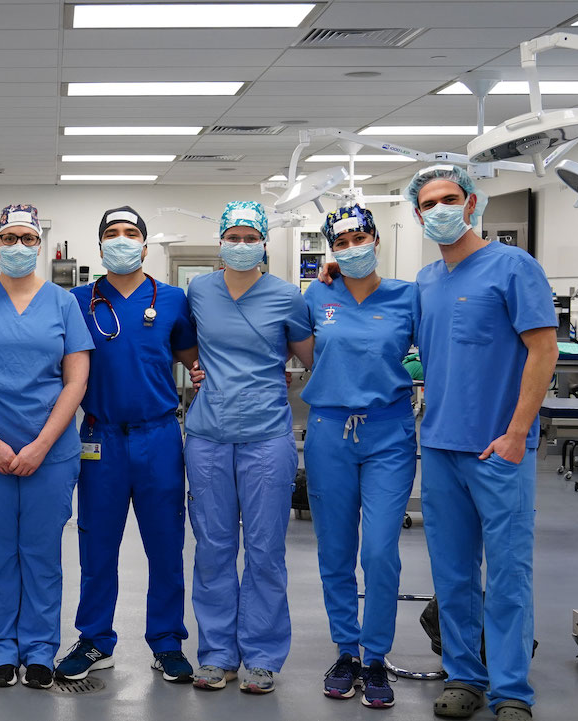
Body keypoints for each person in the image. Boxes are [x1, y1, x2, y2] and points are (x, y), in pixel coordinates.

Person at [405, 165, 556, 721]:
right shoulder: (425, 281)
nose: (440, 209)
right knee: (453, 573)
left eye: (450, 198)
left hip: (499, 449)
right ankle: (464, 675)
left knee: (509, 573)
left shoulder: (513, 266)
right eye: (428, 203)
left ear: (471, 203)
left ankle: (512, 689)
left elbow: (543, 351)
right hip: (441, 446)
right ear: (418, 215)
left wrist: (517, 433)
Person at [0, 203, 93, 690]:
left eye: (27, 239)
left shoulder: (63, 303)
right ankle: (2, 649)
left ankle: (39, 649)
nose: (17, 247)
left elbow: (75, 382)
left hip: (49, 451)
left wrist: (41, 444)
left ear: (41, 245)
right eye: (8, 238)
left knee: (42, 552)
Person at [57, 206, 197, 684]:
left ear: (144, 242)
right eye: (112, 234)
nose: (122, 240)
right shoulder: (76, 300)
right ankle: (95, 638)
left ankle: (167, 641)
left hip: (158, 435)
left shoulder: (174, 300)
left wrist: (200, 372)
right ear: (99, 246)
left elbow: (192, 356)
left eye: (130, 233)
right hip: (100, 437)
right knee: (97, 544)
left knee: (165, 544)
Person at [184, 201, 313, 695]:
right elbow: (189, 348)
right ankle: (217, 653)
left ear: (264, 241)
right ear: (220, 241)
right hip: (208, 435)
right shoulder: (199, 291)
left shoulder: (286, 297)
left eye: (249, 237)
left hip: (266, 435)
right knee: (213, 547)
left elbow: (311, 359)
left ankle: (261, 654)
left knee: (264, 549)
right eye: (232, 237)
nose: (241, 245)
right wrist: (197, 371)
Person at [301, 205, 417, 709]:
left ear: (375, 238)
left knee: (379, 551)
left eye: (358, 238)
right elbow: (309, 356)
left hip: (389, 431)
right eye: (340, 242)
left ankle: (376, 656)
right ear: (331, 250)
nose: (351, 248)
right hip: (329, 429)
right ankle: (347, 650)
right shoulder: (317, 294)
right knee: (335, 550)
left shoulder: (407, 297)